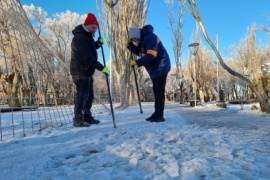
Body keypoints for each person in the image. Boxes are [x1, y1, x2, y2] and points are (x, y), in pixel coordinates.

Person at [70, 13, 109, 127]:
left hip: (87, 71)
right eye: (93, 27)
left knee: (90, 95)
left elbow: (90, 48)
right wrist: (102, 68)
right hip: (80, 70)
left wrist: (98, 44)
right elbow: (87, 57)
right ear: (86, 25)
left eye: (96, 28)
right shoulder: (80, 37)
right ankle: (78, 119)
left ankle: (87, 115)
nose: (94, 30)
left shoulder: (87, 36)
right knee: (82, 95)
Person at [127, 25, 171, 122]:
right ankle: (156, 114)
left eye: (134, 39)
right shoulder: (142, 40)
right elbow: (140, 52)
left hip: (161, 66)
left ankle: (160, 115)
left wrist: (137, 62)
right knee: (156, 91)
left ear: (137, 35)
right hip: (155, 69)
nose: (134, 41)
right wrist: (130, 46)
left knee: (159, 92)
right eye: (133, 40)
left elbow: (151, 55)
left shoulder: (150, 37)